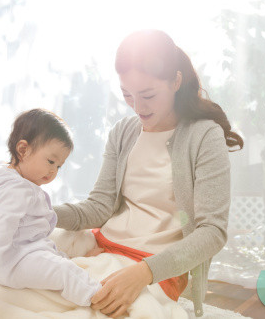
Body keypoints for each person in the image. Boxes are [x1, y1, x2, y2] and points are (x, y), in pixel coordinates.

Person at [53, 29, 244, 318]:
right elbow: (99, 206)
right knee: (16, 272)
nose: (138, 107)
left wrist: (143, 273)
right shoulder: (123, 132)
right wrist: (42, 212)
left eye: (148, 95)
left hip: (154, 266)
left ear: (176, 82)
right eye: (127, 95)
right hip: (101, 246)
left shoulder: (204, 136)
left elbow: (212, 232)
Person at [0, 108, 103, 307]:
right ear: (23, 150)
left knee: (55, 256)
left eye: (59, 166)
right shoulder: (15, 187)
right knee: (62, 271)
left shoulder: (11, 178)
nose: (53, 171)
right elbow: (2, 220)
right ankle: (98, 297)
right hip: (7, 262)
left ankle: (76, 262)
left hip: (19, 252)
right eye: (51, 161)